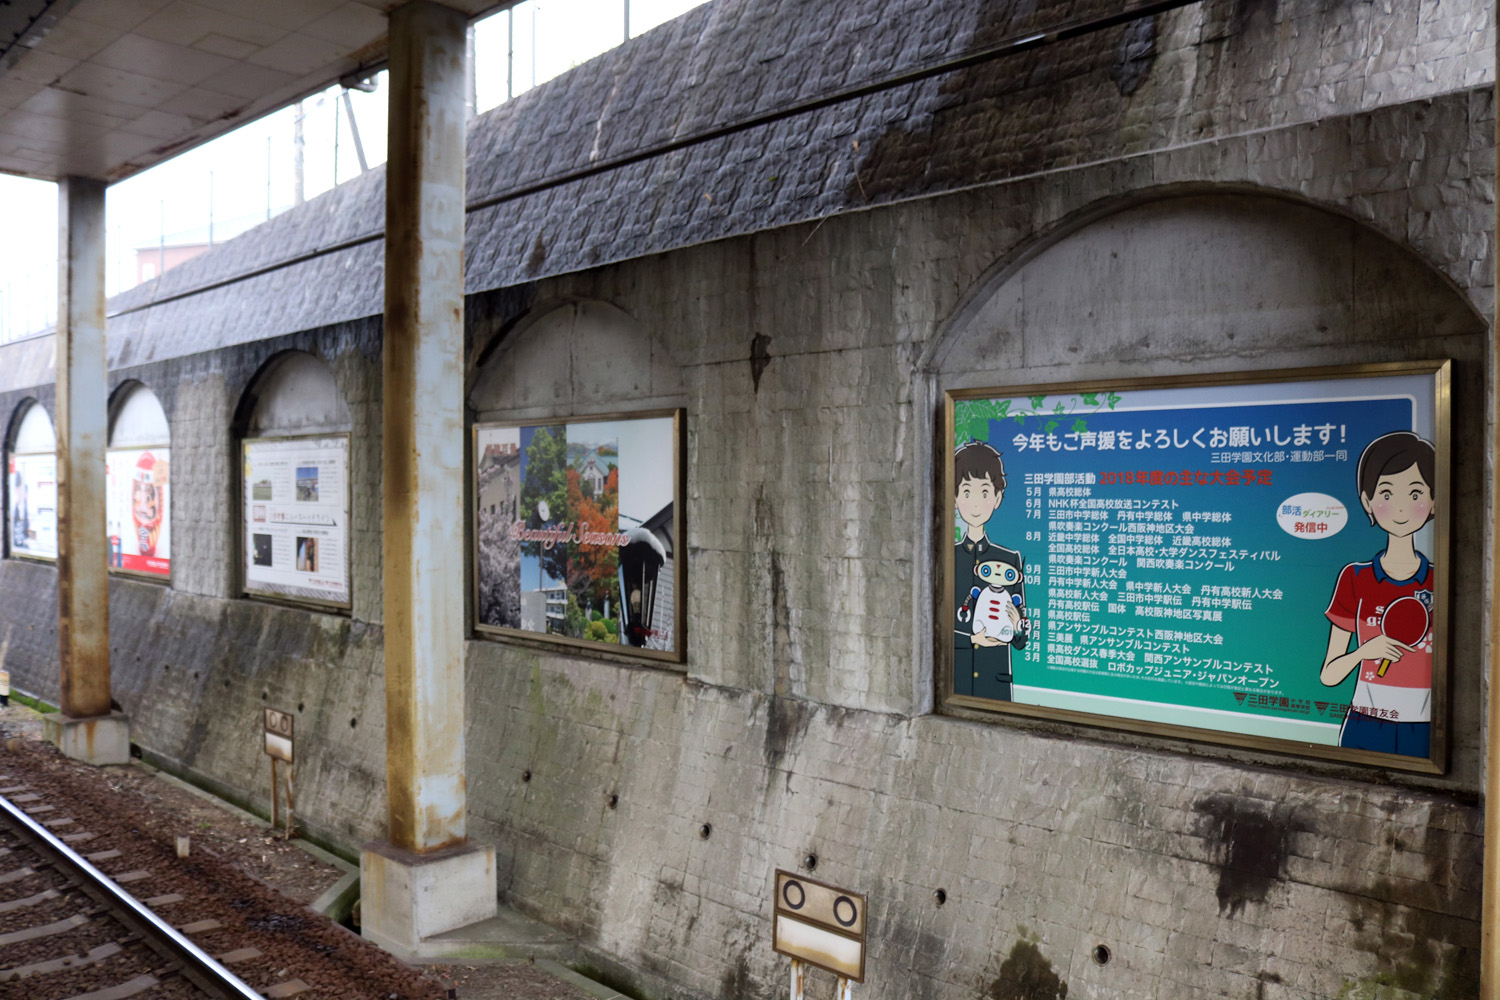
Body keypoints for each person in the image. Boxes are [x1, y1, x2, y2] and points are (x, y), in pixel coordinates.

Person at [1320, 431, 1436, 757]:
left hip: (1425, 725)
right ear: (1368, 502)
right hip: (1364, 724)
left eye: (1415, 494)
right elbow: (1329, 675)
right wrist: (1364, 652)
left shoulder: (1438, 581)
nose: (1400, 508)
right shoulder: (1355, 577)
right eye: (1386, 494)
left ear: (1433, 501)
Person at [953, 441, 1029, 700]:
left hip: (995, 682)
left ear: (997, 498)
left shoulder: (1009, 560)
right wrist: (973, 638)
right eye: (966, 492)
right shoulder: (947, 555)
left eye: (985, 492)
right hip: (955, 680)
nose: (975, 504)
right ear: (954, 498)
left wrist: (1020, 626)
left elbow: (1020, 642)